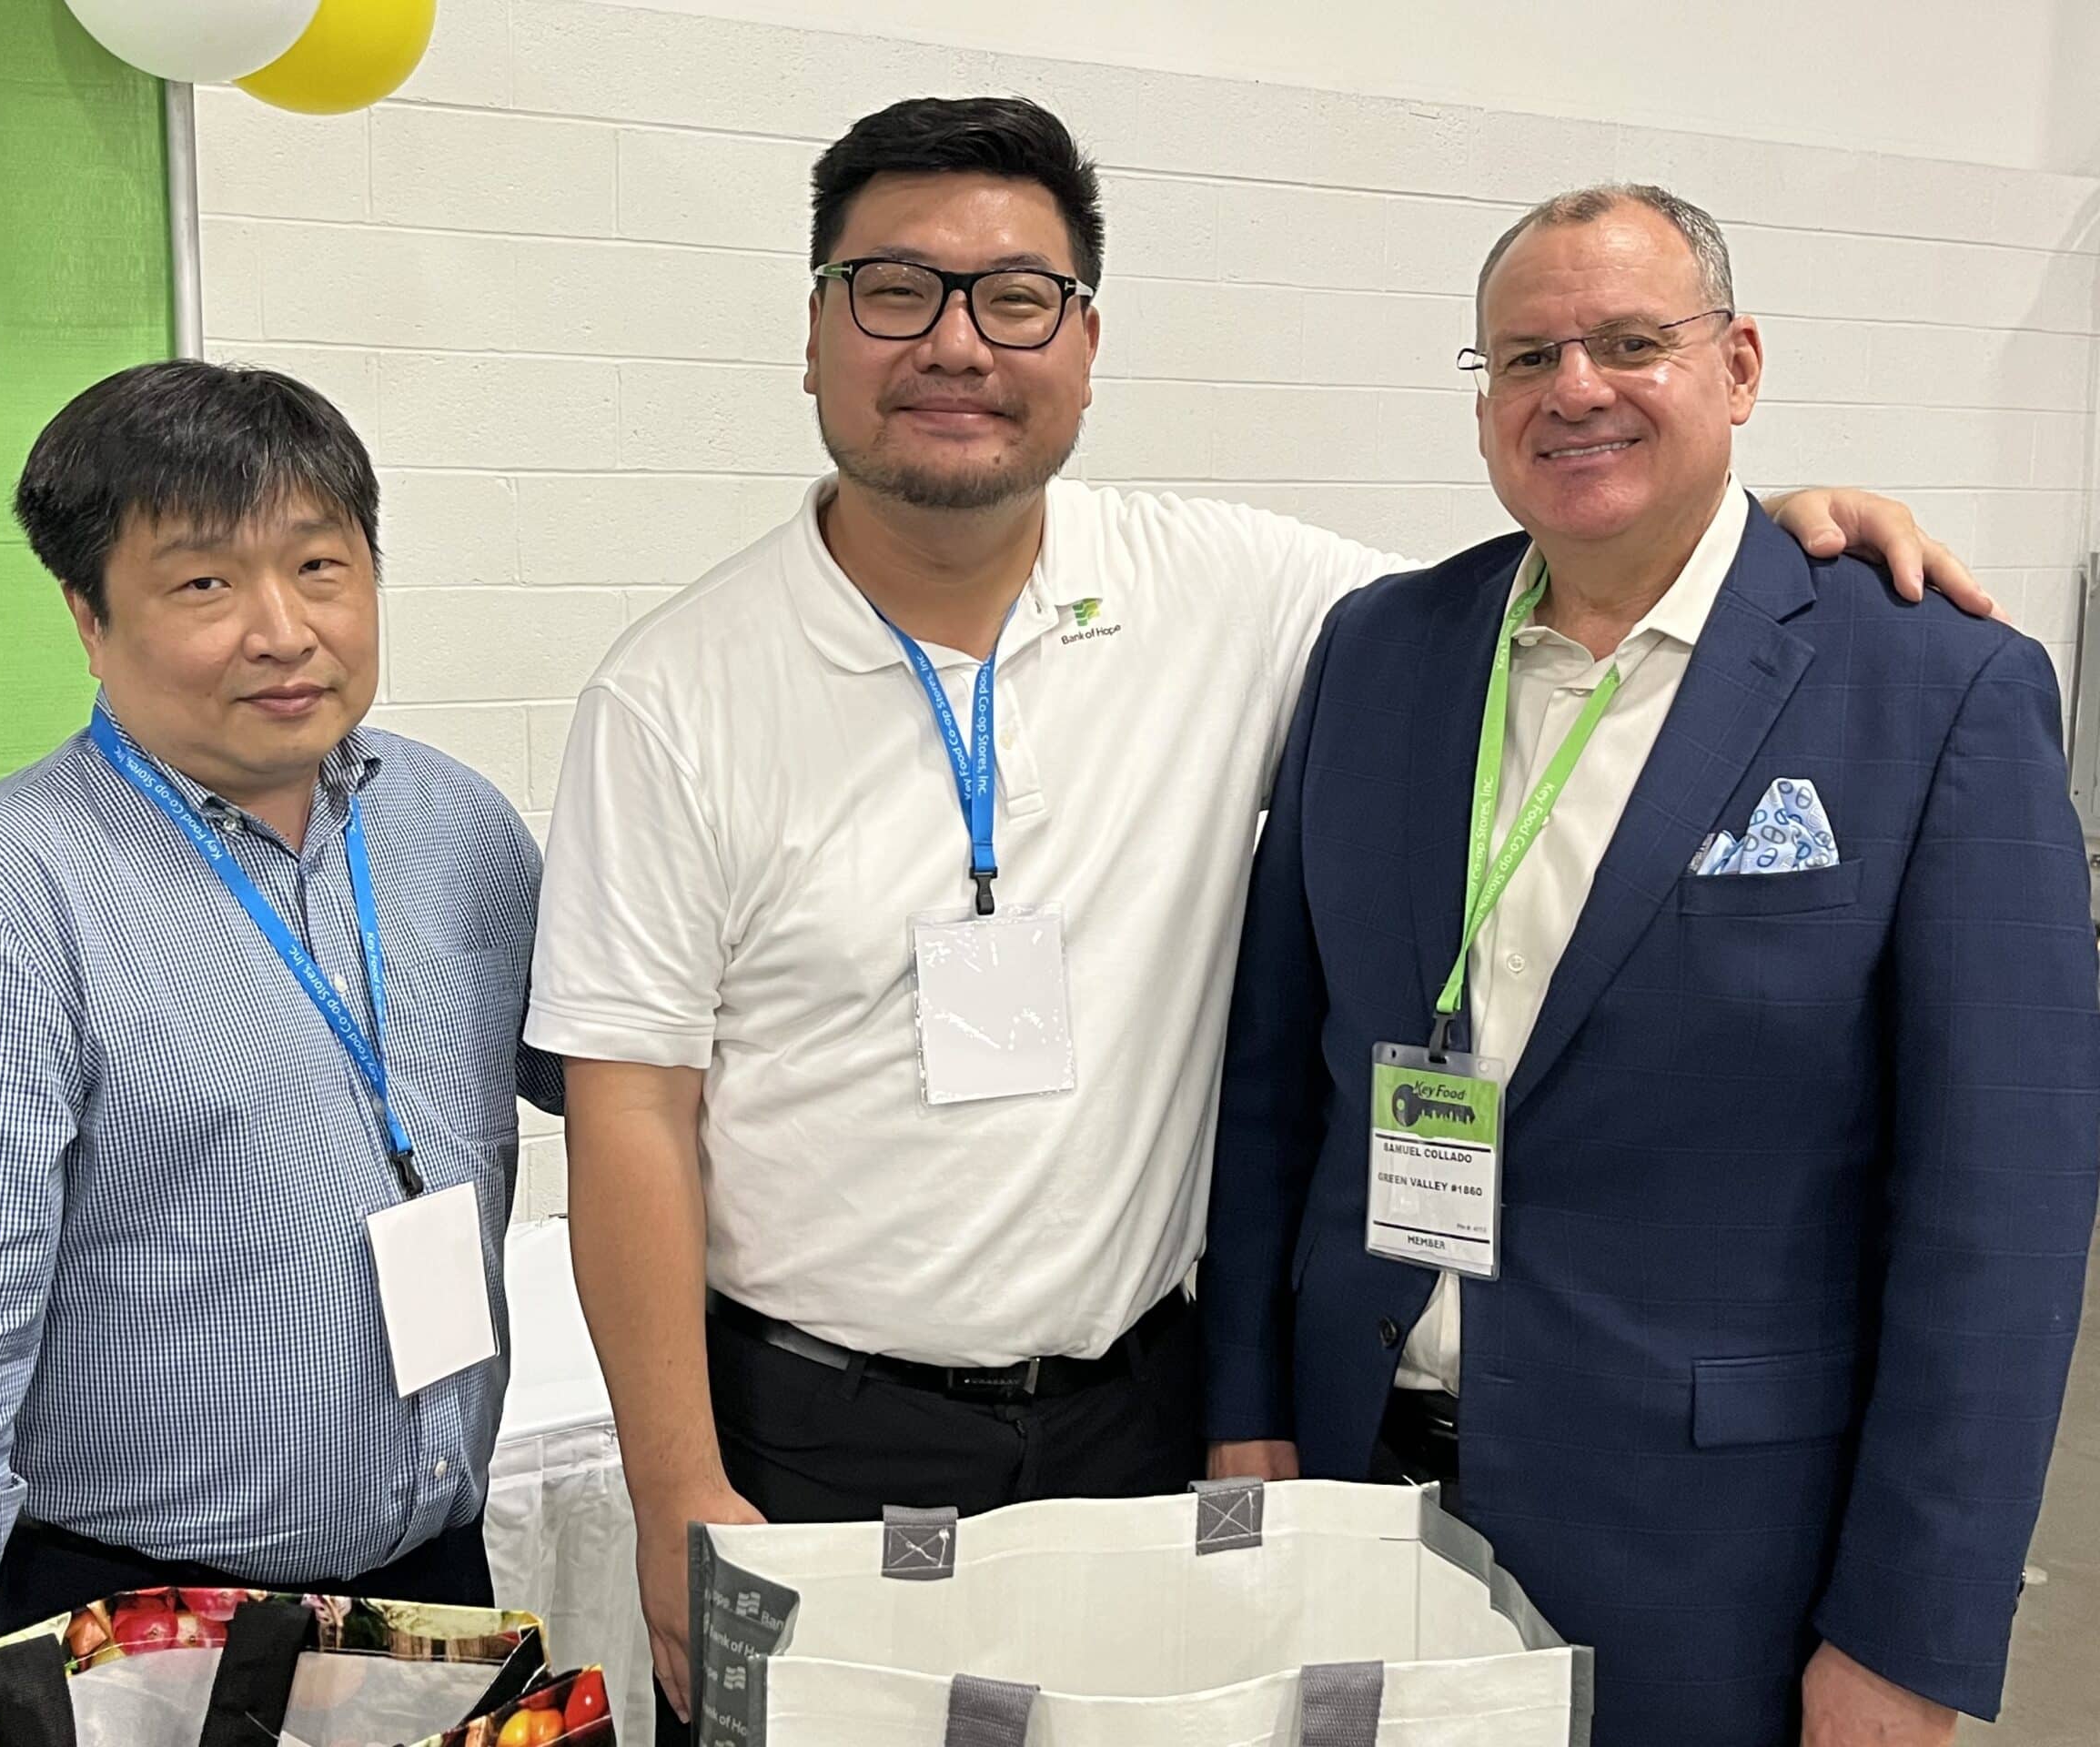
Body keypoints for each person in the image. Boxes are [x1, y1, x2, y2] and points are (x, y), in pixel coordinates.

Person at [522, 98, 1984, 1742]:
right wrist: (676, 1486)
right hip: (812, 1437)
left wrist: (1767, 532)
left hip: (1141, 1429)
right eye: (895, 290)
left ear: (1085, 345)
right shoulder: (676, 696)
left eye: (1017, 298)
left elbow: (1577, 570)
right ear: (812, 333)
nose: (957, 344)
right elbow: (630, 1112)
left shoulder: (1236, 592)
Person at [1202, 184, 2100, 1747]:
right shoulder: (1380, 648)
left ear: (1737, 368)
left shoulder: (1931, 687)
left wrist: (1909, 1636)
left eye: (1631, 343)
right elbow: (1275, 1079)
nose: (1575, 390)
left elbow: (2001, 1215)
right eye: (1525, 357)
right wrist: (1245, 1411)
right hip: (1350, 1482)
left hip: (1714, 1556)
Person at [0, 360, 563, 1683]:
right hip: (124, 1625)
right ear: (87, 616)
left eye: (320, 566)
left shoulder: (458, 827)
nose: (284, 630)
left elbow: (614, 1087)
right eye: (205, 583)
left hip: (436, 1585)